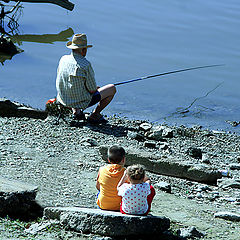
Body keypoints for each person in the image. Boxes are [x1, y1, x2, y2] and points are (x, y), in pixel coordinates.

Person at [56, 33, 116, 123]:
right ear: (83, 50)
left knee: (74, 85)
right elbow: (92, 90)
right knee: (112, 88)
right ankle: (95, 114)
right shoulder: (85, 64)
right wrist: (96, 88)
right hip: (79, 101)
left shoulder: (63, 59)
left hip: (62, 99)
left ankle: (76, 111)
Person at [96, 145, 126, 210]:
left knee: (99, 192)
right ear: (123, 159)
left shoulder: (102, 169)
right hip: (119, 206)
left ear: (108, 159)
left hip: (103, 205)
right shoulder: (126, 172)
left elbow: (98, 186)